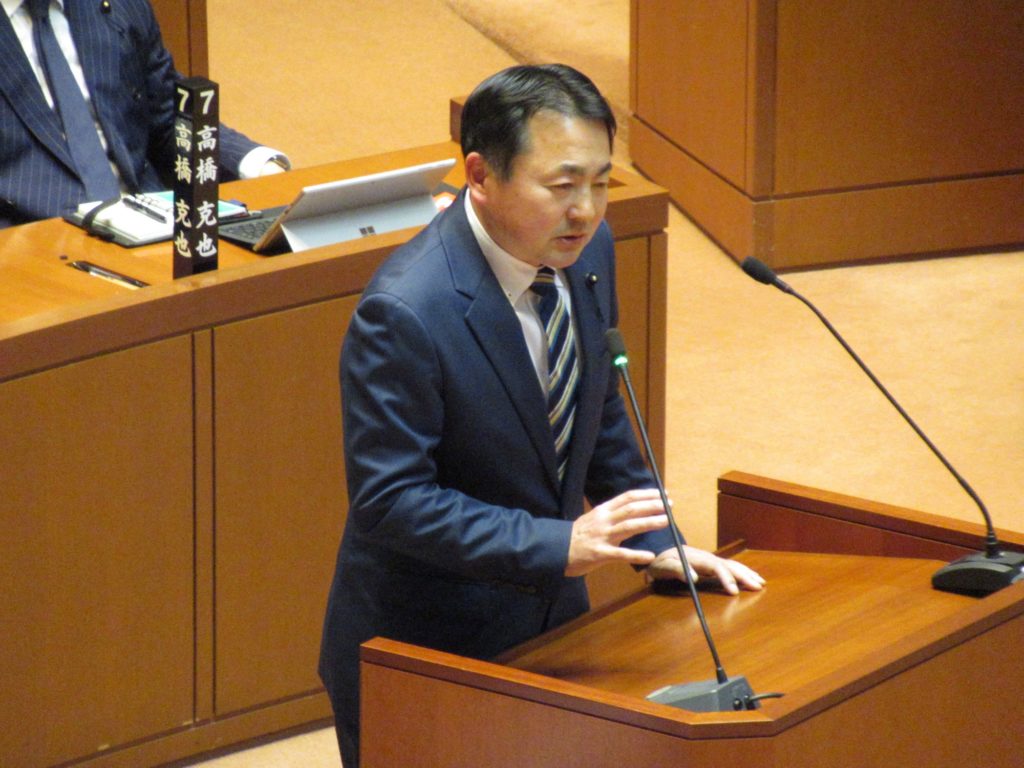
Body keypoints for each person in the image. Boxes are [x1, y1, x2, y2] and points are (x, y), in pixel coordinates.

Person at [318, 63, 764, 767]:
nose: (586, 210)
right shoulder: (406, 311)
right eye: (562, 186)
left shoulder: (588, 252)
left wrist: (659, 544)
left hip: (554, 630)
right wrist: (558, 545)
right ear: (480, 175)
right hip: (428, 648)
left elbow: (597, 418)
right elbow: (391, 502)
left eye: (601, 183)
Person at [0, 0, 289, 228]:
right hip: (33, 238)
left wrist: (258, 165)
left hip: (148, 222)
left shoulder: (119, 6)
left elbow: (167, 119)